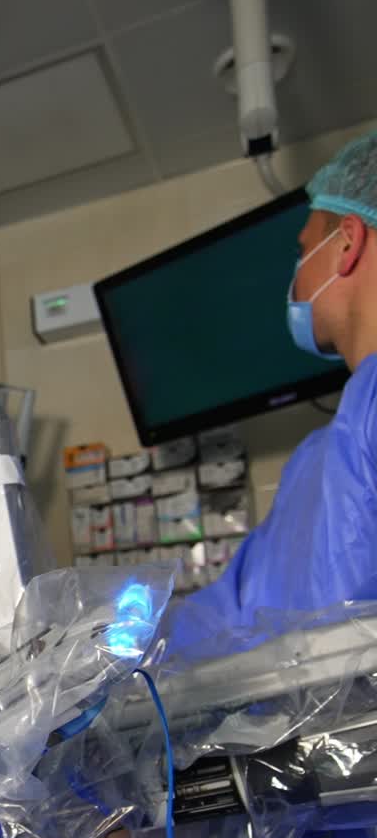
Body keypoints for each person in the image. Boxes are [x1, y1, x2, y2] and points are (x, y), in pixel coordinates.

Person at [177, 130, 377, 633]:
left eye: (304, 250)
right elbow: (237, 613)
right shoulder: (322, 457)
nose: (298, 275)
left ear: (348, 243)